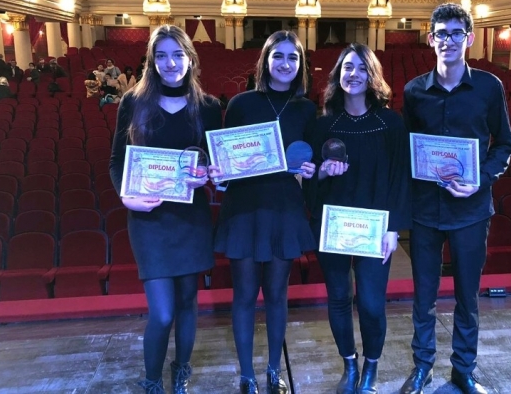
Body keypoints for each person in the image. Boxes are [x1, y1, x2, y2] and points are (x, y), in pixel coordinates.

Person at [400, 3, 511, 394]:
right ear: (430, 39)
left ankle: (463, 369)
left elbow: (505, 144)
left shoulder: (488, 87)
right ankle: (422, 367)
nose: (447, 40)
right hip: (425, 210)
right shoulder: (414, 91)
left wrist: (479, 180)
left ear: (469, 38)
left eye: (455, 33)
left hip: (471, 210)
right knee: (424, 297)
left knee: (468, 296)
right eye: (440, 34)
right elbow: (408, 149)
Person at [109, 24, 223, 394]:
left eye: (177, 55)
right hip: (149, 219)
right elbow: (117, 161)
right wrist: (125, 196)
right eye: (161, 56)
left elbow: (212, 162)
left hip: (191, 218)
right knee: (161, 313)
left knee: (188, 303)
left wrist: (206, 174)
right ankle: (152, 380)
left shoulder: (208, 107)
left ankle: (181, 370)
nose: (170, 63)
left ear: (190, 58)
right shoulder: (133, 101)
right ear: (151, 60)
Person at [213, 30, 317, 394]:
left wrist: (311, 169)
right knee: (244, 295)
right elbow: (225, 159)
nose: (286, 64)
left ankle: (274, 370)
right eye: (279, 56)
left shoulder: (307, 108)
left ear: (300, 64)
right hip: (244, 208)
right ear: (265, 61)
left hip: (284, 209)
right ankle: (247, 375)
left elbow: (310, 158)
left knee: (276, 294)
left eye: (293, 57)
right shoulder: (241, 103)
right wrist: (221, 170)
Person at [310, 43, 411, 394]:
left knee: (370, 303)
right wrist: (324, 171)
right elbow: (311, 180)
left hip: (375, 229)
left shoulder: (390, 123)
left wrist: (394, 229)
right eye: (347, 68)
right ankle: (349, 364)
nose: (353, 74)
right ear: (337, 75)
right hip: (333, 227)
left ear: (372, 76)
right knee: (339, 298)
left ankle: (371, 366)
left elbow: (400, 178)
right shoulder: (324, 125)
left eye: (361, 68)